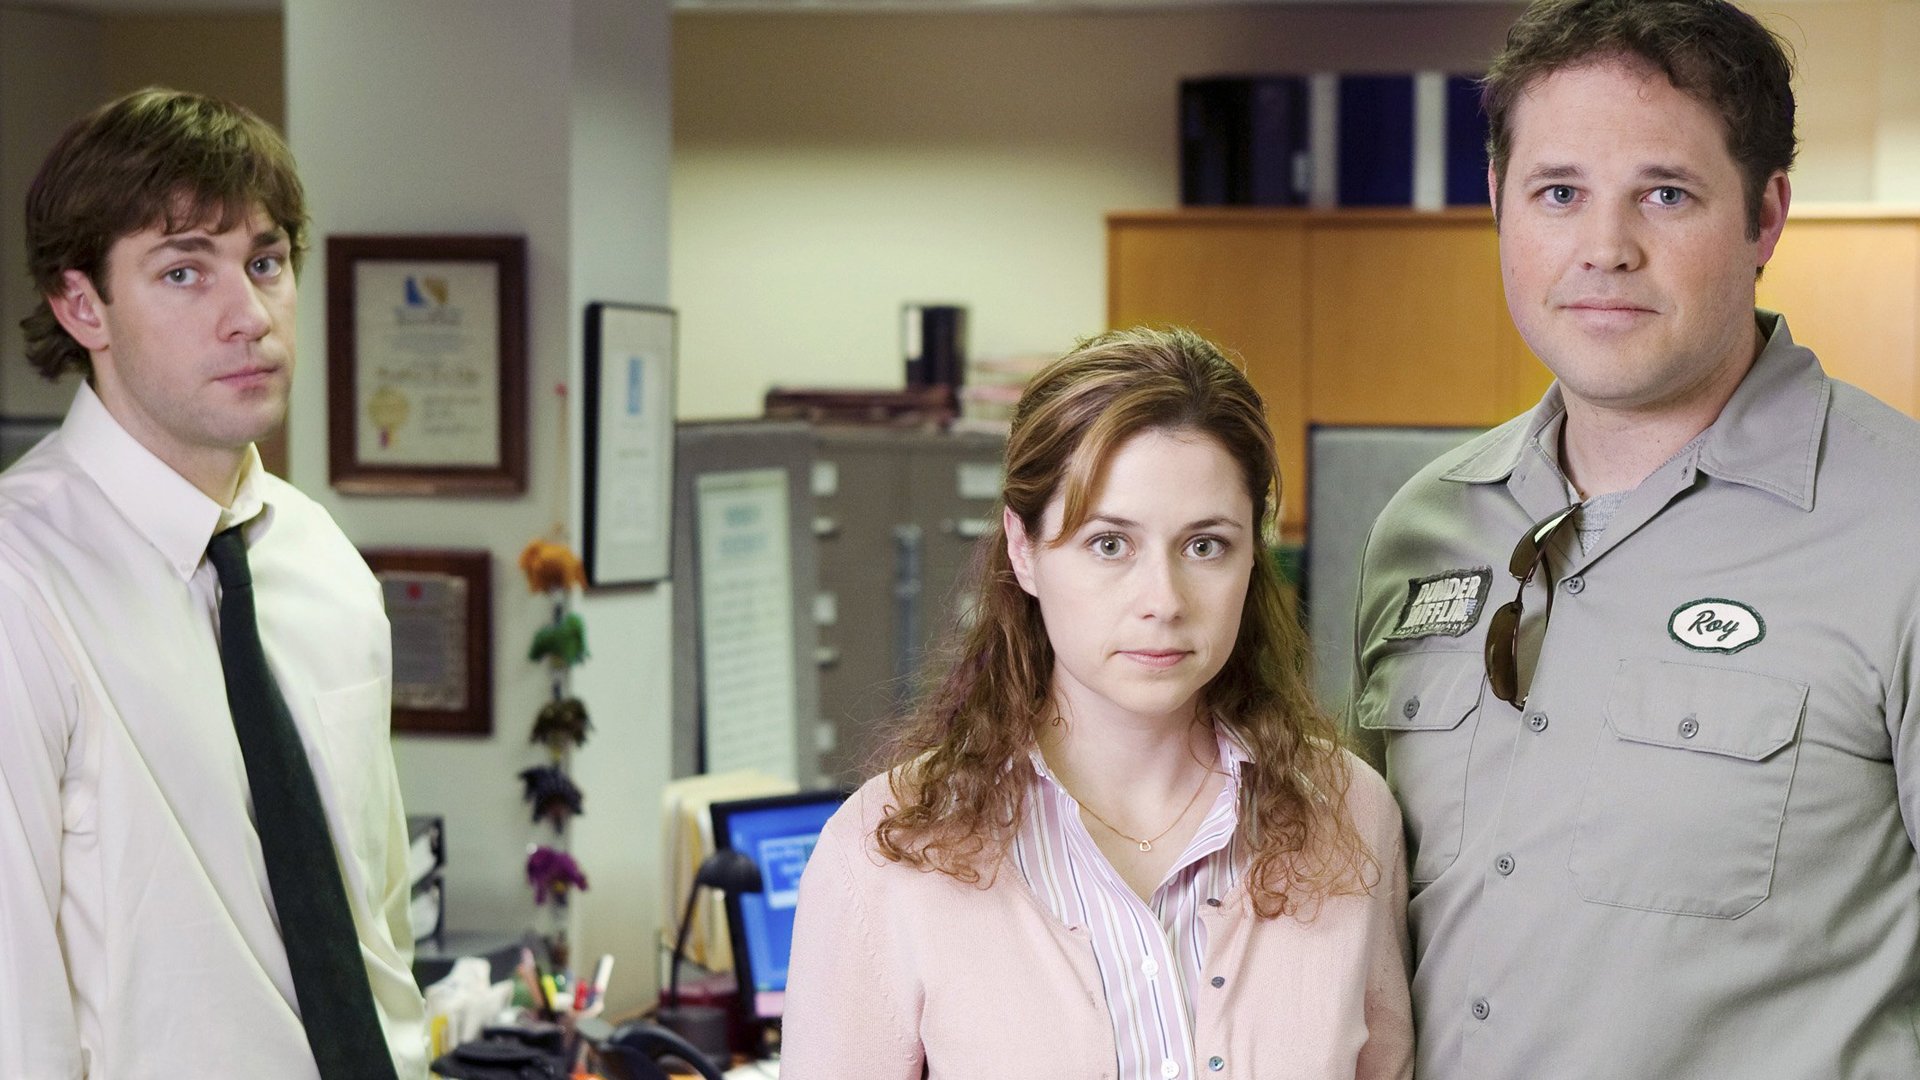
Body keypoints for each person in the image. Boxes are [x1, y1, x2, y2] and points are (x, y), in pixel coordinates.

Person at [1350, 1, 1920, 1077]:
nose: (1604, 249)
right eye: (1558, 193)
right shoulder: (1421, 528)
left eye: (1665, 194)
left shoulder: (1902, 527)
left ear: (1766, 217)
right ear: (1499, 206)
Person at [786, 327, 1412, 1078]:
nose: (1163, 600)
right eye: (1110, 544)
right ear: (1023, 549)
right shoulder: (887, 848)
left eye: (1205, 545)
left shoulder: (1350, 817)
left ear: (1254, 553)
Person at [0, 89, 426, 1077]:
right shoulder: (21, 582)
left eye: (266, 263)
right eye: (185, 271)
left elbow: (378, 922)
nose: (250, 317)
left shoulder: (321, 562)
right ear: (80, 305)